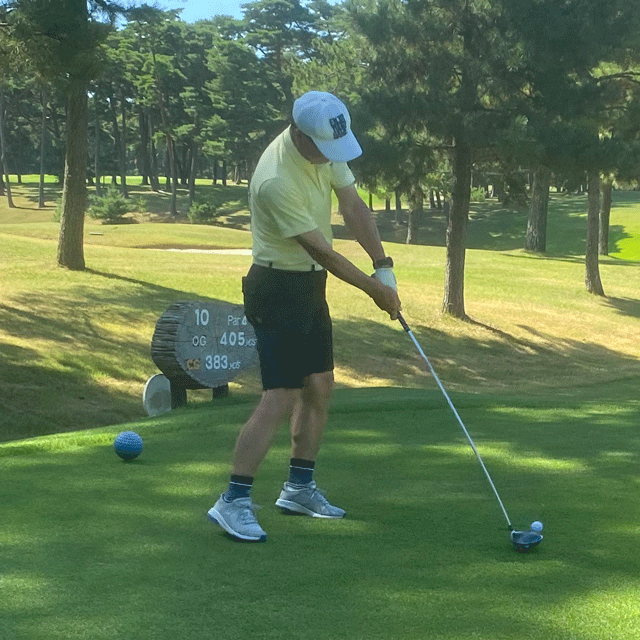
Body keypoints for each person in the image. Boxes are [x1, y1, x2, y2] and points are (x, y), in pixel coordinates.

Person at [207, 91, 402, 542]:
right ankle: (232, 500)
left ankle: (298, 488)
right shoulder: (275, 179)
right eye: (323, 149)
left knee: (320, 385)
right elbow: (322, 251)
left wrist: (383, 266)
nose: (331, 156)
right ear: (298, 134)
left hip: (310, 287)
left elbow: (353, 206)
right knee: (281, 395)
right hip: (276, 287)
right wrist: (374, 291)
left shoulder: (325, 145)